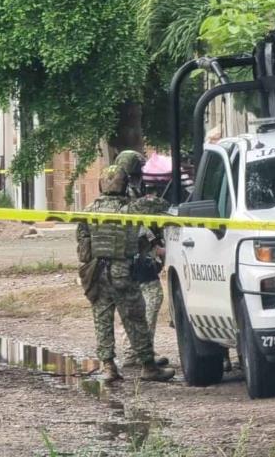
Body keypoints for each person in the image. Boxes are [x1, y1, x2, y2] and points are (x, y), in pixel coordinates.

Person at [76, 165, 175, 383]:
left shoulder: (88, 210)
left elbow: (83, 248)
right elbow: (162, 205)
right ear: (124, 184)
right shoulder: (131, 208)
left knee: (102, 319)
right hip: (123, 272)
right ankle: (148, 366)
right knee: (135, 319)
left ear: (101, 184)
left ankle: (109, 366)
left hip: (96, 273)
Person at [115, 150, 171, 367]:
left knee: (135, 304)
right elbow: (137, 224)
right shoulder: (127, 193)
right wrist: (154, 244)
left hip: (129, 254)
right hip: (136, 254)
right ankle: (141, 351)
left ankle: (134, 351)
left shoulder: (125, 190)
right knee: (152, 297)